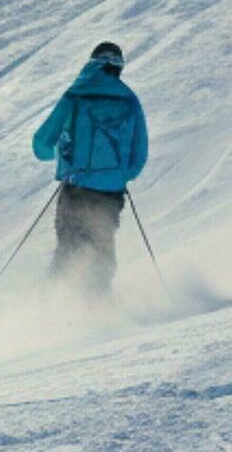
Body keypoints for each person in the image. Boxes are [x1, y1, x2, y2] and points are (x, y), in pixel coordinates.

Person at [30, 41, 149, 295]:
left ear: (93, 63)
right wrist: (120, 176)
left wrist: (62, 156)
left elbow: (41, 143)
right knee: (102, 248)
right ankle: (99, 307)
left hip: (77, 188)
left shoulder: (76, 95)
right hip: (111, 193)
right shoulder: (130, 100)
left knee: (68, 249)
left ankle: (52, 306)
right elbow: (139, 155)